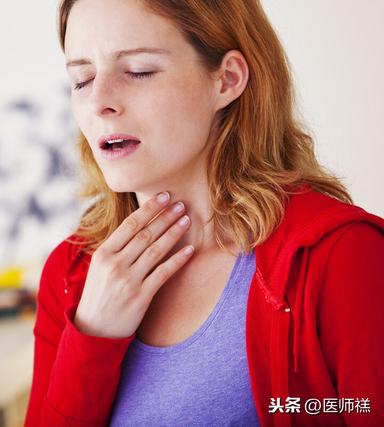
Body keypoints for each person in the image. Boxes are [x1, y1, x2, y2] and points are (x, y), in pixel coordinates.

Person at [25, 0, 384, 425]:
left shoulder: (343, 256)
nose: (99, 101)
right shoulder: (69, 276)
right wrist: (92, 336)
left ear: (226, 79)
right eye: (82, 79)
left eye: (138, 70)